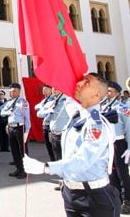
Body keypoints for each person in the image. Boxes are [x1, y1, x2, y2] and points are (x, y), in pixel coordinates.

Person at [24, 73, 120, 216]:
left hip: (94, 198)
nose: (79, 84)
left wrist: (46, 167)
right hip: (71, 194)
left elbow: (83, 160)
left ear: (97, 95)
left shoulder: (97, 123)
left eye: (86, 83)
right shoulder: (76, 117)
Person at [102, 81, 130, 214]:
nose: (107, 93)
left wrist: (129, 147)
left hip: (119, 143)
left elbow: (128, 129)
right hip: (108, 143)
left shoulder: (122, 108)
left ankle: (127, 200)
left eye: (110, 91)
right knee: (111, 173)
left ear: (117, 93)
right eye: (107, 91)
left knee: (122, 173)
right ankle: (116, 198)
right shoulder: (103, 107)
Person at [0, 83, 30, 179]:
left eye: (14, 91)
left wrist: (27, 131)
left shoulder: (23, 102)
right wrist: (7, 112)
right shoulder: (9, 102)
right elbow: (2, 112)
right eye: (11, 91)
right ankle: (18, 168)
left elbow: (27, 118)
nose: (12, 93)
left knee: (23, 151)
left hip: (20, 128)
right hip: (11, 128)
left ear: (19, 91)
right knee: (14, 150)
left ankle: (25, 170)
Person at [35, 85, 56, 161]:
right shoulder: (45, 100)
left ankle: (55, 161)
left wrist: (42, 108)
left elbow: (41, 111)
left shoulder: (53, 99)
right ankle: (52, 160)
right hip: (45, 124)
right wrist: (42, 108)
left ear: (51, 90)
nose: (44, 91)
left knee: (53, 145)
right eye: (43, 89)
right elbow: (36, 107)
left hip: (51, 125)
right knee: (48, 145)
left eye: (46, 89)